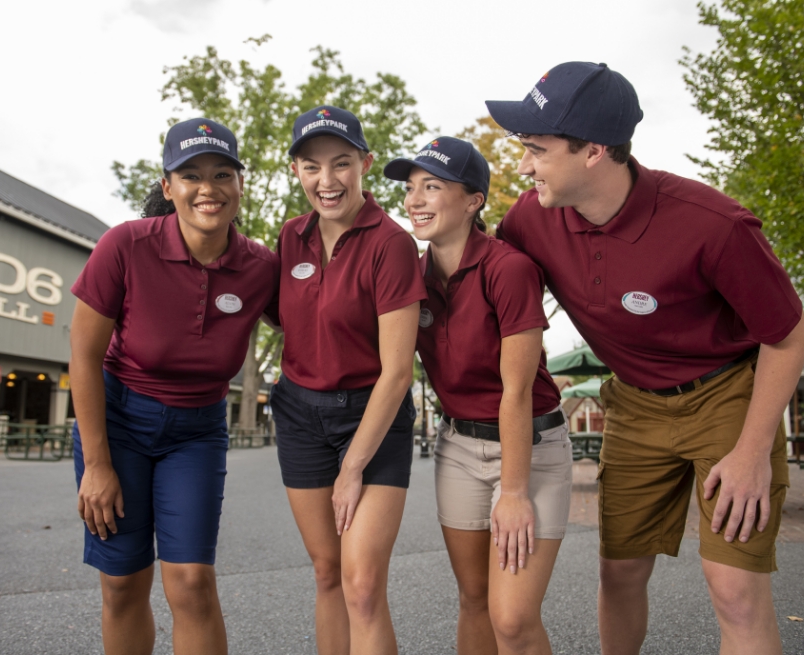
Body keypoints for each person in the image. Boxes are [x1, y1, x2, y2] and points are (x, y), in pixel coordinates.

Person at [485, 62, 804, 655]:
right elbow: (482, 282)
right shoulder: (531, 218)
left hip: (728, 398)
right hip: (633, 402)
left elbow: (788, 335)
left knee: (735, 589)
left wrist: (752, 450)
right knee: (621, 573)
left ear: (594, 152)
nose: (524, 165)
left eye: (536, 149)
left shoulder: (713, 225)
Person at [69, 117, 279, 655]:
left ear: (239, 183)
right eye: (190, 175)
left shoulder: (261, 267)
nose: (207, 189)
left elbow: (322, 314)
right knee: (122, 583)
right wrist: (97, 464)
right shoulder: (125, 246)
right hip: (119, 424)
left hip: (197, 431)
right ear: (169, 187)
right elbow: (84, 355)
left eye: (221, 174)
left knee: (191, 584)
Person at [384, 137, 571, 655]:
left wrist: (513, 492)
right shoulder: (411, 277)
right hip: (459, 449)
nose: (415, 200)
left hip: (529, 447)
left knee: (511, 618)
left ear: (473, 201)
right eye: (411, 188)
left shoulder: (509, 269)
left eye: (432, 187)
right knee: (473, 599)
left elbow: (515, 392)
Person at [269, 105, 426, 655]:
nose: (327, 180)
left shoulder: (392, 245)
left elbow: (398, 370)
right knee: (327, 572)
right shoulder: (290, 238)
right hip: (299, 415)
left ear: (366, 163)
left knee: (362, 585)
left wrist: (353, 466)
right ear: (296, 171)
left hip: (373, 416)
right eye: (312, 167)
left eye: (341, 164)